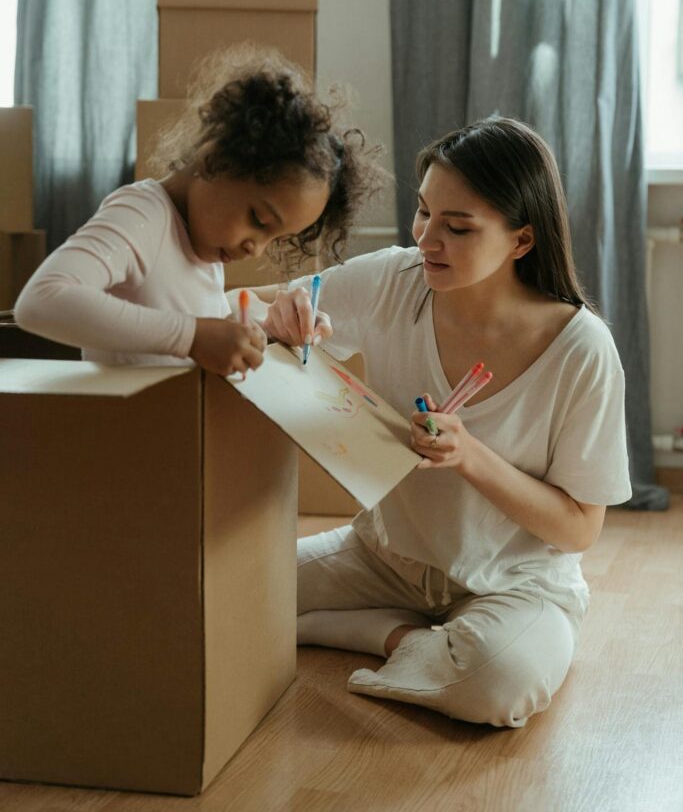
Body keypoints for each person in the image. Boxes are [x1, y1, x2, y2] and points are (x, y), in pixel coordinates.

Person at [255, 116, 632, 729]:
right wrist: (283, 315)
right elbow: (243, 314)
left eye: (457, 227)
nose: (428, 239)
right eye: (424, 213)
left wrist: (471, 457)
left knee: (497, 683)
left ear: (522, 240)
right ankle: (399, 636)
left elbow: (579, 530)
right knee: (228, 593)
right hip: (383, 557)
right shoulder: (395, 279)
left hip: (513, 584)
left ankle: (360, 633)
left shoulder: (581, 349)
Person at [14, 44, 382, 373]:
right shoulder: (144, 215)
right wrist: (190, 336)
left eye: (276, 238)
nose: (256, 247)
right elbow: (41, 301)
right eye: (258, 220)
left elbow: (198, 323)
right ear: (216, 156)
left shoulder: (203, 248)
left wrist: (265, 329)